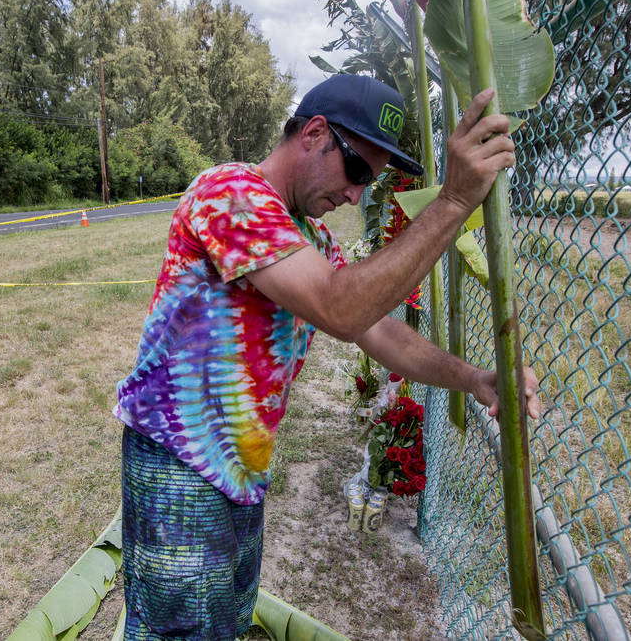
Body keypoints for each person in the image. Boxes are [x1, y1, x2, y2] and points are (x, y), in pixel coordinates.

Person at [113, 73, 542, 639]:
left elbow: (377, 330)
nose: (356, 195)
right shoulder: (232, 193)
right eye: (358, 171)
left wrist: (474, 379)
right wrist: (456, 201)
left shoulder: (310, 238)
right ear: (314, 133)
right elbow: (339, 308)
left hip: (239, 470)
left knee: (224, 625)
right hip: (177, 466)